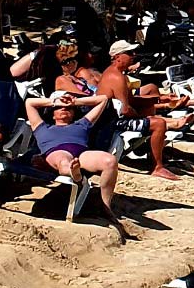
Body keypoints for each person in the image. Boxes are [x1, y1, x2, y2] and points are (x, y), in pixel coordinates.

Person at [24, 93, 127, 235]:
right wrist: (55, 101)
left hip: (81, 154)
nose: (64, 109)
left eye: (68, 109)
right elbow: (29, 102)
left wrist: (74, 101)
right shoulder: (41, 127)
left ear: (73, 113)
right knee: (63, 161)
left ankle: (105, 206)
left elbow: (103, 100)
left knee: (110, 161)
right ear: (53, 115)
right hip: (56, 152)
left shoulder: (82, 123)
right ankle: (75, 174)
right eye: (59, 108)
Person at [96, 41, 190, 182]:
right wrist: (143, 117)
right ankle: (157, 167)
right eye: (129, 53)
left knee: (151, 114)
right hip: (112, 123)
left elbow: (132, 100)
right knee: (158, 124)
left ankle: (153, 153)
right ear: (117, 57)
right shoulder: (116, 77)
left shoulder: (118, 74)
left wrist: (160, 99)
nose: (133, 56)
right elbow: (126, 109)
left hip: (113, 118)